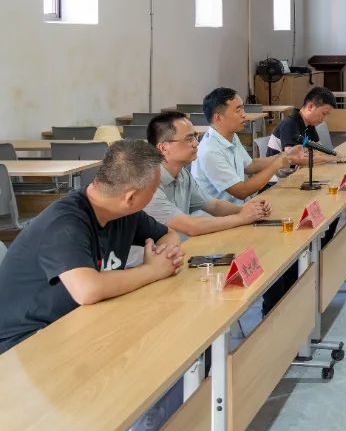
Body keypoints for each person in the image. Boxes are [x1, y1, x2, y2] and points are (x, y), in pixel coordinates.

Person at [0, 140, 183, 353]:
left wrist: (163, 255)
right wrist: (153, 270)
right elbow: (88, 290)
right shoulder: (64, 224)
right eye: (153, 191)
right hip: (24, 343)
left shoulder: (124, 213)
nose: (154, 196)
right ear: (130, 197)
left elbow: (168, 235)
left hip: (78, 322)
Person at [146, 112, 272, 235]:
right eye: (189, 139)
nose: (196, 143)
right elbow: (191, 227)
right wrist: (242, 217)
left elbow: (214, 205)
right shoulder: (148, 184)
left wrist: (250, 210)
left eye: (195, 136)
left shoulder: (183, 174)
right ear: (163, 148)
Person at [192, 87, 304, 204]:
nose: (244, 115)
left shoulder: (231, 136)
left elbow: (250, 165)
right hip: (221, 214)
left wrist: (286, 155)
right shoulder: (210, 151)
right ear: (218, 117)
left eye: (243, 109)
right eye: (238, 110)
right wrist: (276, 165)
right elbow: (242, 191)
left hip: (240, 208)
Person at [268, 86, 338, 163]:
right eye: (324, 113)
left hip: (296, 169)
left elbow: (319, 151)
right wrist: (326, 158)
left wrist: (330, 156)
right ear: (310, 107)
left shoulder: (310, 124)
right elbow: (294, 159)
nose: (324, 119)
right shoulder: (289, 123)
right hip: (279, 170)